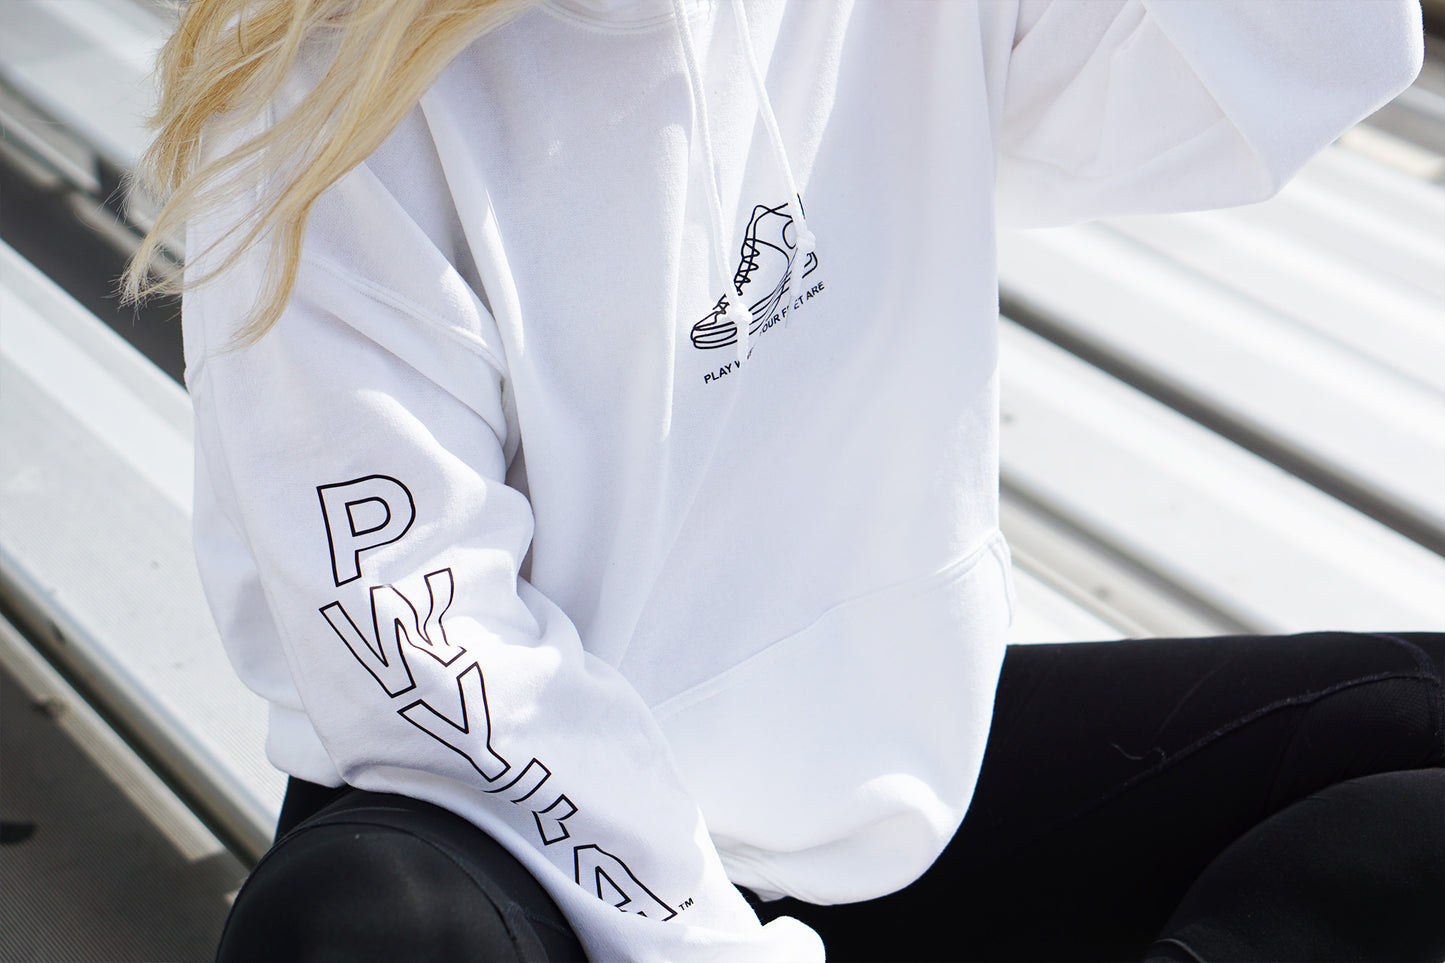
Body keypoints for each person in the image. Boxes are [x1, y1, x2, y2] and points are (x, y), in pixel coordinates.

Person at [125, 1, 1444, 960]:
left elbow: (1268, 73)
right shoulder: (323, 97)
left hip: (875, 788)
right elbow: (426, 662)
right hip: (521, 833)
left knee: (1414, 729)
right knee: (367, 935)